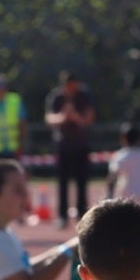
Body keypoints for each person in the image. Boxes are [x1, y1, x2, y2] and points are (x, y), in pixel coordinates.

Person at [45, 71, 96, 221]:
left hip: (81, 144)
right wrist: (63, 117)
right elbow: (49, 118)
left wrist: (75, 117)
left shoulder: (84, 95)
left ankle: (82, 214)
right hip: (63, 145)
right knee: (62, 182)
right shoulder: (56, 96)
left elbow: (89, 118)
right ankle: (62, 215)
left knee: (82, 181)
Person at [107, 123, 140, 209]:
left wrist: (109, 194)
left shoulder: (120, 156)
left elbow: (112, 175)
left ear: (123, 139)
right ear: (139, 139)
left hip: (126, 197)